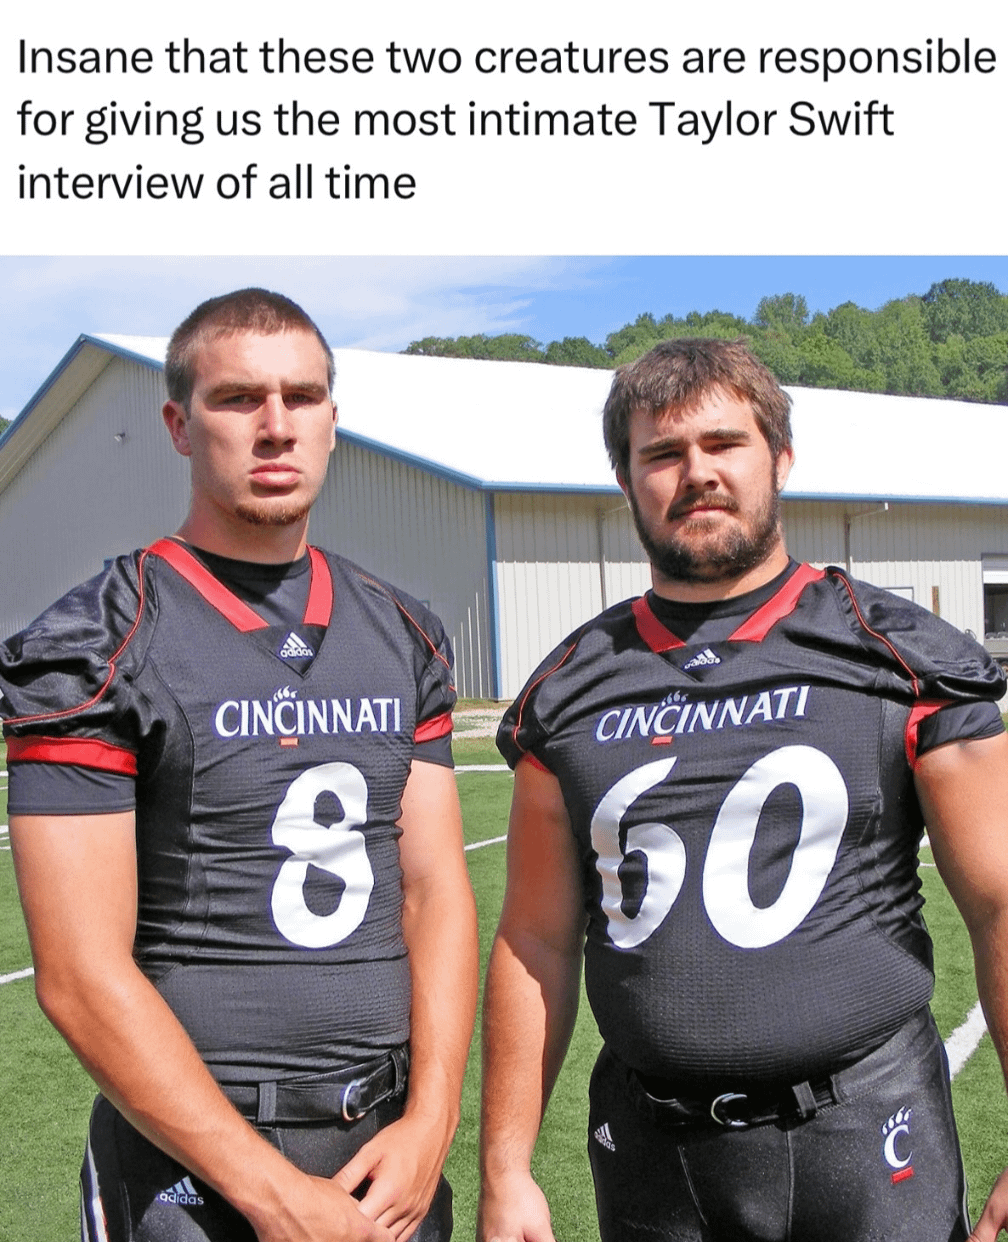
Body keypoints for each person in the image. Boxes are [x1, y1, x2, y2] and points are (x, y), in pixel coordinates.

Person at [478, 337, 1008, 1242]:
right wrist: (504, 1167)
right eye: (663, 453)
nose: (698, 474)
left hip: (866, 1132)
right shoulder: (569, 689)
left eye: (724, 443)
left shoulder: (900, 658)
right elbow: (535, 938)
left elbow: (1000, 902)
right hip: (655, 1151)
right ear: (625, 479)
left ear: (781, 458)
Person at [1, 289, 479, 1242]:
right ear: (180, 425)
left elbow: (434, 891)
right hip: (194, 1165)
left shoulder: (402, 631)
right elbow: (80, 974)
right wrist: (270, 1193)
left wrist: (433, 1121)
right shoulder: (98, 638)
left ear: (332, 422)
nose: (275, 425)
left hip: (385, 1146)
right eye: (237, 398)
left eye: (302, 397)